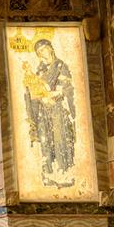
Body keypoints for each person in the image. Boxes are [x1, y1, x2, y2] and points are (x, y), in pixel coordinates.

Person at [22, 38, 76, 188]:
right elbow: (34, 91)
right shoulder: (39, 70)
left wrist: (51, 95)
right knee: (46, 141)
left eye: (44, 49)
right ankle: (49, 174)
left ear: (51, 48)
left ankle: (64, 173)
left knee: (60, 140)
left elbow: (66, 88)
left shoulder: (60, 66)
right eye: (39, 52)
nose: (42, 54)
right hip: (43, 112)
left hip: (57, 109)